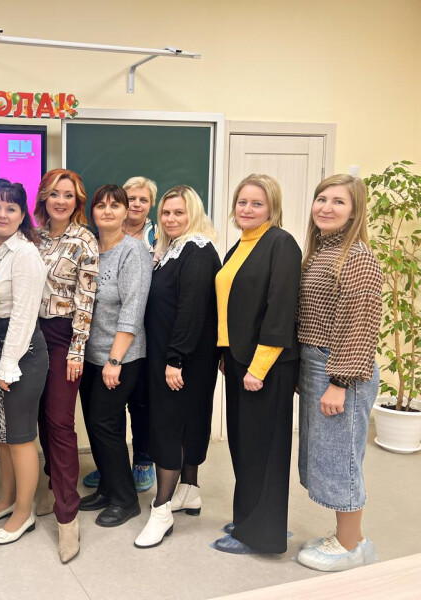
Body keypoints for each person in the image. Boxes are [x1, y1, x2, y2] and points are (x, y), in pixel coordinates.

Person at [295, 175, 383, 571]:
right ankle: (350, 537)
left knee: (342, 457)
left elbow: (359, 324)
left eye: (338, 202)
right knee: (329, 455)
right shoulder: (320, 252)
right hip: (317, 364)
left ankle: (351, 548)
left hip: (341, 368)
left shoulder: (358, 257)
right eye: (322, 199)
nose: (326, 207)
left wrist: (339, 382)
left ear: (355, 210)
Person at [212, 174, 301, 555]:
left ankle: (261, 535)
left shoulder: (281, 244)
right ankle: (250, 519)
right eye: (242, 202)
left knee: (264, 451)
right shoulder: (241, 245)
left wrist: (258, 367)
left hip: (265, 367)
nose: (247, 209)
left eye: (257, 203)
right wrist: (225, 353)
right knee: (245, 446)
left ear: (272, 208)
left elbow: (280, 310)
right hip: (238, 362)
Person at [134, 186, 220, 548]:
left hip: (181, 359)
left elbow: (192, 309)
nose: (170, 219)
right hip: (171, 355)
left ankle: (161, 509)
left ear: (193, 214)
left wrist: (175, 359)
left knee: (168, 428)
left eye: (179, 213)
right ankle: (190, 490)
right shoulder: (174, 248)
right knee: (185, 425)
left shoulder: (197, 249)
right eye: (166, 213)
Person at [0, 179, 47, 545]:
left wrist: (7, 364)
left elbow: (23, 315)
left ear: (22, 215)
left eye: (11, 208)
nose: (2, 214)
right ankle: (7, 500)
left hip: (21, 353)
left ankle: (24, 512)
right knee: (1, 434)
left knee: (19, 436)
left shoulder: (26, 254)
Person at [33, 169, 99, 563]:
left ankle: (67, 515)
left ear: (77, 201)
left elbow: (86, 299)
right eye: (55, 194)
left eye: (68, 195)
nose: (61, 201)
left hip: (63, 337)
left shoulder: (84, 240)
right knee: (41, 418)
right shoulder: (35, 236)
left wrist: (77, 350)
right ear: (45, 197)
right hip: (31, 334)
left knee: (60, 422)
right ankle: (50, 485)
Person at [78, 184, 151, 528]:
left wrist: (114, 360)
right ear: (92, 211)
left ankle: (126, 499)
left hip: (122, 356)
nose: (107, 211)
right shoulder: (90, 248)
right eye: (101, 205)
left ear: (126, 212)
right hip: (89, 354)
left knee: (103, 423)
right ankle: (107, 487)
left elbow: (133, 310)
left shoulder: (133, 252)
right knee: (100, 425)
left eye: (115, 205)